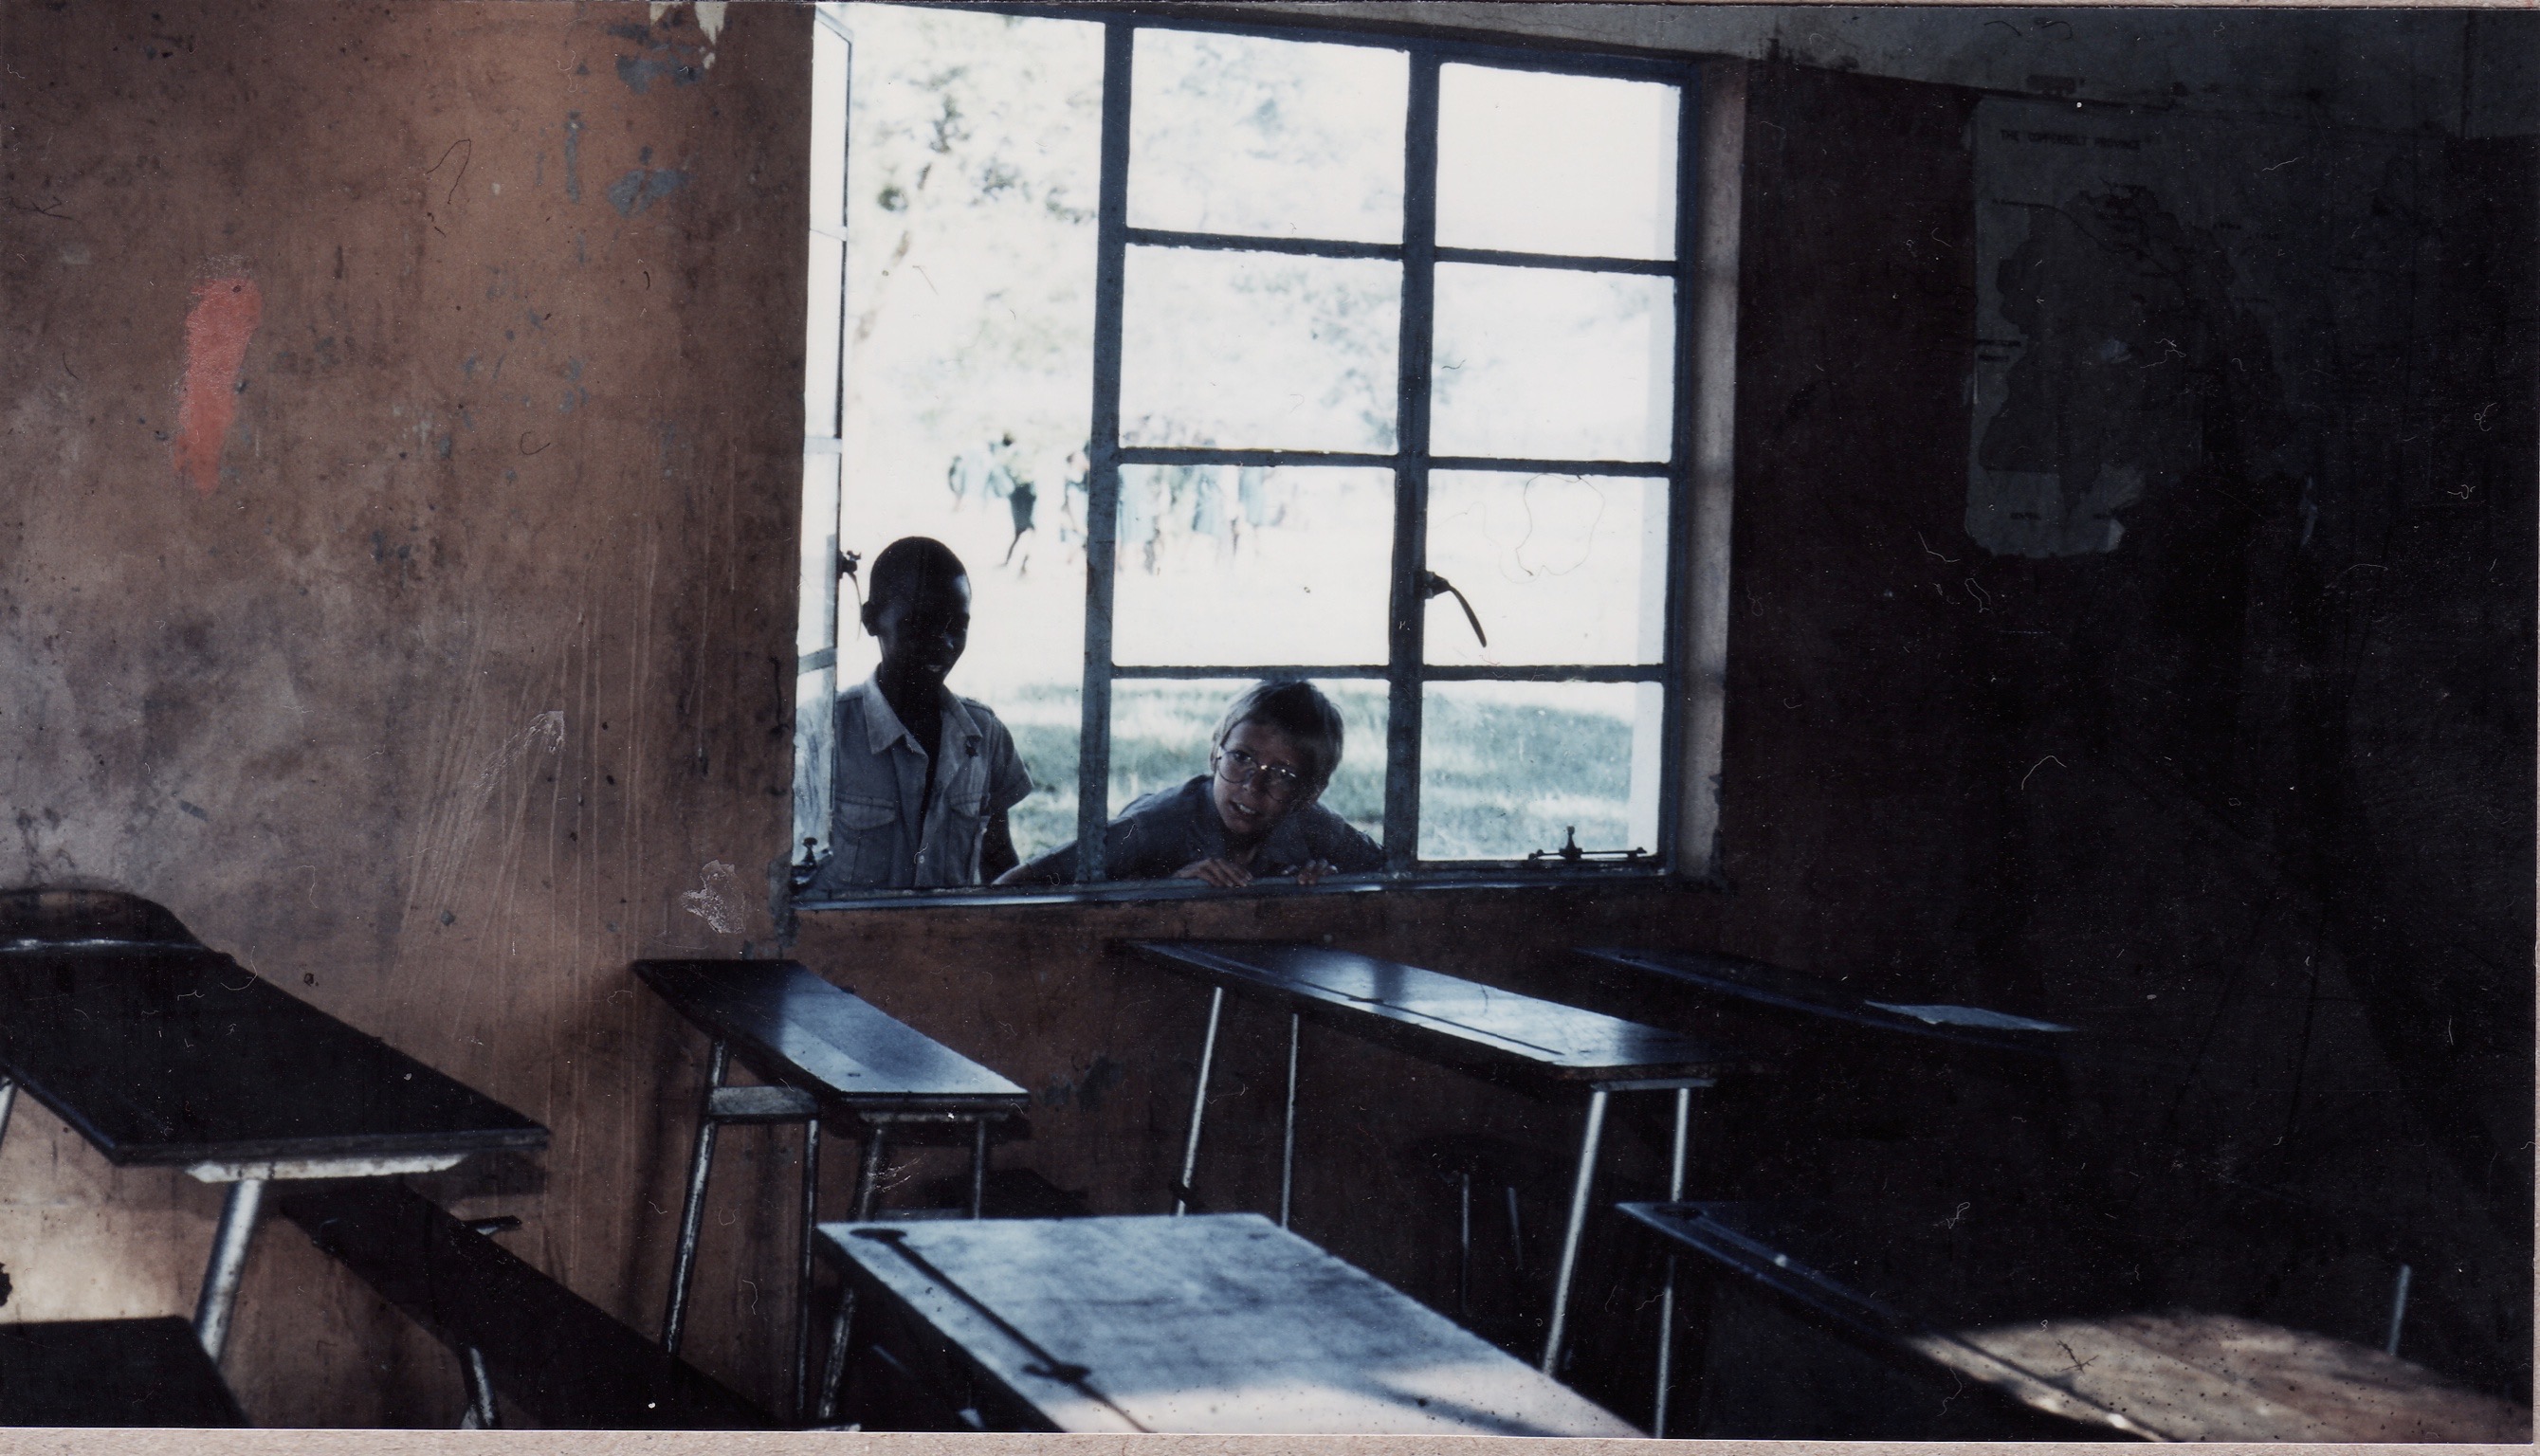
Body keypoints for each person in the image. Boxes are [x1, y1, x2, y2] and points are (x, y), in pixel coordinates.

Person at [803, 537, 1032, 893]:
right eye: (920, 623)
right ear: (871, 620)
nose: (944, 643)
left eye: (957, 625)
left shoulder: (984, 735)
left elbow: (999, 862)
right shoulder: (825, 735)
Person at [996, 680, 1381, 888]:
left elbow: (1390, 872)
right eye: (1241, 758)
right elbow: (1020, 882)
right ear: (1215, 753)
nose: (1252, 786)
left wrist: (1341, 884)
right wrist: (1161, 891)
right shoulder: (1156, 824)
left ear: (1309, 793)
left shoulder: (1313, 825)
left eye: (1282, 775)